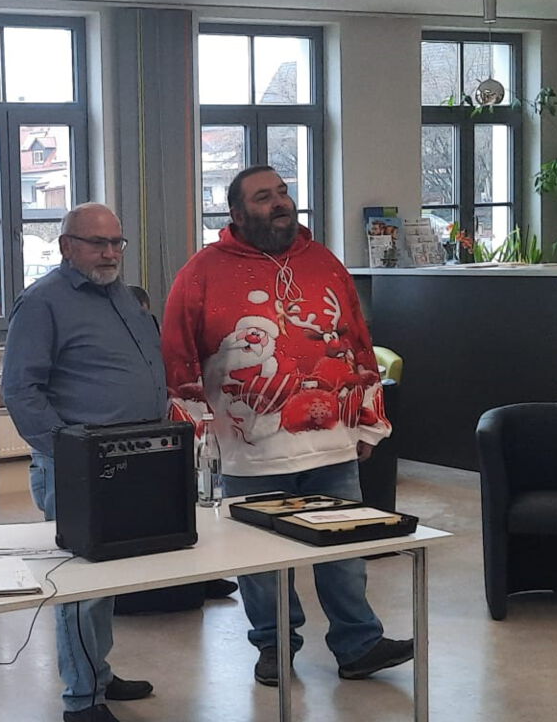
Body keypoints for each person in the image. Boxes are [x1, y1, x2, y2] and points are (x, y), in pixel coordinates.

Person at [162, 166, 414, 686]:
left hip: (332, 445)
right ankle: (274, 647)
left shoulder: (324, 262)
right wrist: (197, 437)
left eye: (282, 192)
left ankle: (358, 644)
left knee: (344, 551)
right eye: (263, 197)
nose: (279, 202)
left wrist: (368, 421)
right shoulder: (201, 272)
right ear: (237, 213)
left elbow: (358, 342)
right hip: (250, 451)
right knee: (260, 561)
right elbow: (178, 358)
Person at [1, 202, 164, 722]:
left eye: (117, 242)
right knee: (80, 585)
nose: (110, 253)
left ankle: (99, 672)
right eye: (98, 243)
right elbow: (20, 390)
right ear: (67, 246)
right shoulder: (42, 303)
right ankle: (81, 697)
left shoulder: (121, 296)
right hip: (78, 470)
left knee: (106, 579)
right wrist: (68, 455)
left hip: (132, 462)